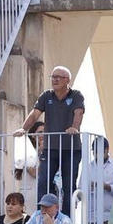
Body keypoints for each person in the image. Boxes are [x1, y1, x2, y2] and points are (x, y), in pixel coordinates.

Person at [16, 66, 87, 206]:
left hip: (71, 149)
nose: (54, 80)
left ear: (67, 80)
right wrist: (24, 129)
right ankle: (42, 217)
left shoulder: (76, 95)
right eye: (53, 77)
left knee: (68, 186)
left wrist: (74, 128)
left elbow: (78, 113)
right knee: (43, 183)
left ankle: (67, 219)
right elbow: (35, 113)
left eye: (58, 77)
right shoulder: (46, 95)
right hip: (50, 148)